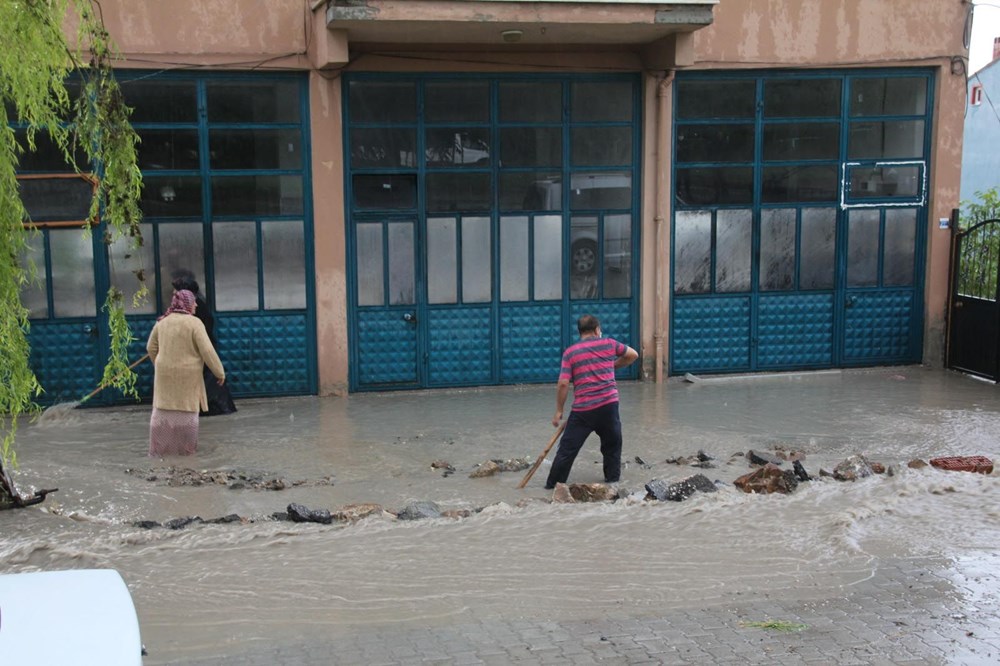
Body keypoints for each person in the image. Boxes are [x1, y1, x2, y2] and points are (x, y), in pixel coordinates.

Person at [545, 314, 638, 489]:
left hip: (583, 411)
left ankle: (552, 488)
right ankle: (612, 487)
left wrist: (559, 410)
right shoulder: (609, 344)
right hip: (609, 406)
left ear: (580, 332)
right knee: (612, 447)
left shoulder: (570, 353)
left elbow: (563, 383)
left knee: (566, 451)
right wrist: (613, 365)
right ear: (597, 330)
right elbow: (633, 354)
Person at [146, 289, 226, 456]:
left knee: (163, 412)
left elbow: (150, 348)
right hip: (188, 378)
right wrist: (219, 373)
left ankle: (160, 455)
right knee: (186, 413)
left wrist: (161, 364)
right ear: (187, 303)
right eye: (194, 301)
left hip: (164, 377)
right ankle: (185, 456)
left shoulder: (162, 322)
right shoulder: (194, 323)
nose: (196, 304)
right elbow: (207, 351)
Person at [170, 272, 237, 416]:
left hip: (200, 349)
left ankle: (209, 408)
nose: (173, 292)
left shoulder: (196, 305)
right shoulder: (190, 306)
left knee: (209, 381)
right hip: (198, 349)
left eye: (176, 289)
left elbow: (202, 330)